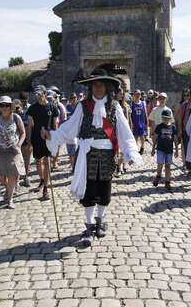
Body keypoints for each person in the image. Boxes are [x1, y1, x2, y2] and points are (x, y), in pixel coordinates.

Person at [41, 74, 142, 247]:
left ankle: (100, 220)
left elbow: (123, 130)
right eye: (95, 85)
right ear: (91, 88)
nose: (98, 89)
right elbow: (70, 126)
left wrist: (130, 152)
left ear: (107, 88)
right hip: (87, 154)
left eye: (101, 85)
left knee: (104, 189)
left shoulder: (115, 106)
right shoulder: (83, 106)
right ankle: (89, 225)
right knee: (89, 189)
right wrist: (52, 135)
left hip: (108, 155)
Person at [0, 96, 26, 209]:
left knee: (12, 175)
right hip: (0, 150)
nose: (5, 107)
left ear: (11, 106)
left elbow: (23, 133)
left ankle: (10, 200)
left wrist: (19, 145)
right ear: (0, 107)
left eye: (7, 105)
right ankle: (9, 188)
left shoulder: (16, 117)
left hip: (13, 150)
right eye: (2, 105)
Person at [27, 85, 59, 200]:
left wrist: (56, 139)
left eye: (40, 94)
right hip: (36, 138)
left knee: (47, 162)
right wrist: (29, 140)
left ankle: (46, 188)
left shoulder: (53, 108)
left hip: (49, 138)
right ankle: (41, 180)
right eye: (36, 94)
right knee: (38, 161)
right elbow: (30, 126)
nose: (38, 96)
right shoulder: (32, 109)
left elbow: (55, 125)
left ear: (45, 94)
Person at [151, 109, 179, 191]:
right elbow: (155, 138)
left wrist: (177, 150)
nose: (166, 120)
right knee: (160, 163)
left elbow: (175, 139)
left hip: (169, 150)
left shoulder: (173, 127)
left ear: (170, 118)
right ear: (162, 118)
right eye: (164, 118)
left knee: (168, 166)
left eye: (167, 118)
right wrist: (153, 149)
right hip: (160, 149)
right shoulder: (159, 127)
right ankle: (158, 176)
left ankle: (167, 182)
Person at [114, 87, 132, 175]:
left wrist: (130, 128)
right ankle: (118, 166)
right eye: (120, 93)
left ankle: (120, 165)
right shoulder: (112, 105)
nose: (121, 95)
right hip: (116, 130)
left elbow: (129, 118)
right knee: (117, 149)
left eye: (122, 94)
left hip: (124, 129)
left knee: (123, 149)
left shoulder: (125, 105)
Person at [18, 92, 32, 187]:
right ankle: (18, 179)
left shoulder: (30, 107)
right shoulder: (15, 108)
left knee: (27, 158)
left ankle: (26, 177)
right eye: (22, 101)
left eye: (25, 101)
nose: (24, 103)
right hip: (18, 134)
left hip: (27, 133)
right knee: (18, 158)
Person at [131, 89, 148, 155]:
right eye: (136, 94)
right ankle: (135, 149)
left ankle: (142, 147)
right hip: (135, 122)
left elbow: (145, 112)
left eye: (139, 94)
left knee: (142, 136)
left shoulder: (142, 103)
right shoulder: (132, 104)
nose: (137, 95)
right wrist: (131, 122)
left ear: (140, 95)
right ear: (134, 95)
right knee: (135, 137)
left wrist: (146, 121)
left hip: (141, 122)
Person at [65, 93, 79, 168]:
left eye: (74, 97)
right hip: (70, 130)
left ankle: (75, 164)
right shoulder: (67, 107)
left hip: (78, 130)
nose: (73, 99)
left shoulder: (79, 106)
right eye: (71, 98)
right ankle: (72, 163)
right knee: (70, 148)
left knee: (76, 147)